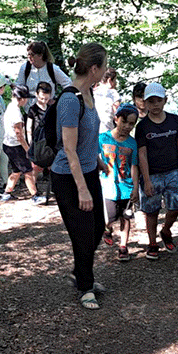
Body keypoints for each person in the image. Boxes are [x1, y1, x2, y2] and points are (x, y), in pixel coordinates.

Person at [50, 42, 108, 310]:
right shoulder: (69, 100)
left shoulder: (89, 95)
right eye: (104, 66)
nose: (107, 70)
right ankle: (85, 286)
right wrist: (82, 189)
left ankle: (79, 271)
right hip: (68, 177)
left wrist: (96, 160)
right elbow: (69, 149)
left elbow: (87, 138)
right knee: (83, 233)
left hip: (88, 171)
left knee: (97, 228)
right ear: (94, 68)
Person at [135, 83, 178, 261]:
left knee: (175, 207)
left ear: (165, 100)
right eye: (151, 101)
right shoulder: (142, 126)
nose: (155, 104)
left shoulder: (175, 120)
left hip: (173, 171)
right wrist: (147, 180)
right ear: (145, 103)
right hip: (153, 174)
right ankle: (152, 243)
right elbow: (142, 153)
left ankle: (165, 231)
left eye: (159, 100)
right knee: (152, 211)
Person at [98, 103, 140, 262]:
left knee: (126, 216)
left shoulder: (132, 143)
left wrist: (136, 187)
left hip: (126, 186)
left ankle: (123, 246)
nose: (127, 127)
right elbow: (92, 155)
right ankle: (107, 229)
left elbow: (134, 166)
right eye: (124, 122)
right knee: (109, 218)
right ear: (116, 119)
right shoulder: (103, 138)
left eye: (131, 124)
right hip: (108, 187)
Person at [1, 86, 39, 201]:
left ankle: (7, 192)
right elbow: (19, 134)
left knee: (16, 170)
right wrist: (27, 149)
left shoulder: (10, 106)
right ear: (21, 98)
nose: (27, 100)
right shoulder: (16, 112)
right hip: (15, 146)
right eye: (26, 98)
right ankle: (35, 196)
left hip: (7, 144)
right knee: (28, 171)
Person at [26, 81, 53, 204]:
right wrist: (30, 143)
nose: (44, 101)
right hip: (37, 142)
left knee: (51, 166)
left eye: (47, 99)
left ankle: (52, 189)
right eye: (42, 98)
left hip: (48, 143)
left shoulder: (50, 109)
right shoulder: (33, 110)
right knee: (35, 168)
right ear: (37, 95)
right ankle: (34, 191)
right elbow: (28, 128)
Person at [94, 68, 120, 134]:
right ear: (109, 80)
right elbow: (117, 113)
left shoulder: (94, 91)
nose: (116, 83)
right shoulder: (113, 93)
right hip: (107, 130)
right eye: (115, 80)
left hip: (94, 129)